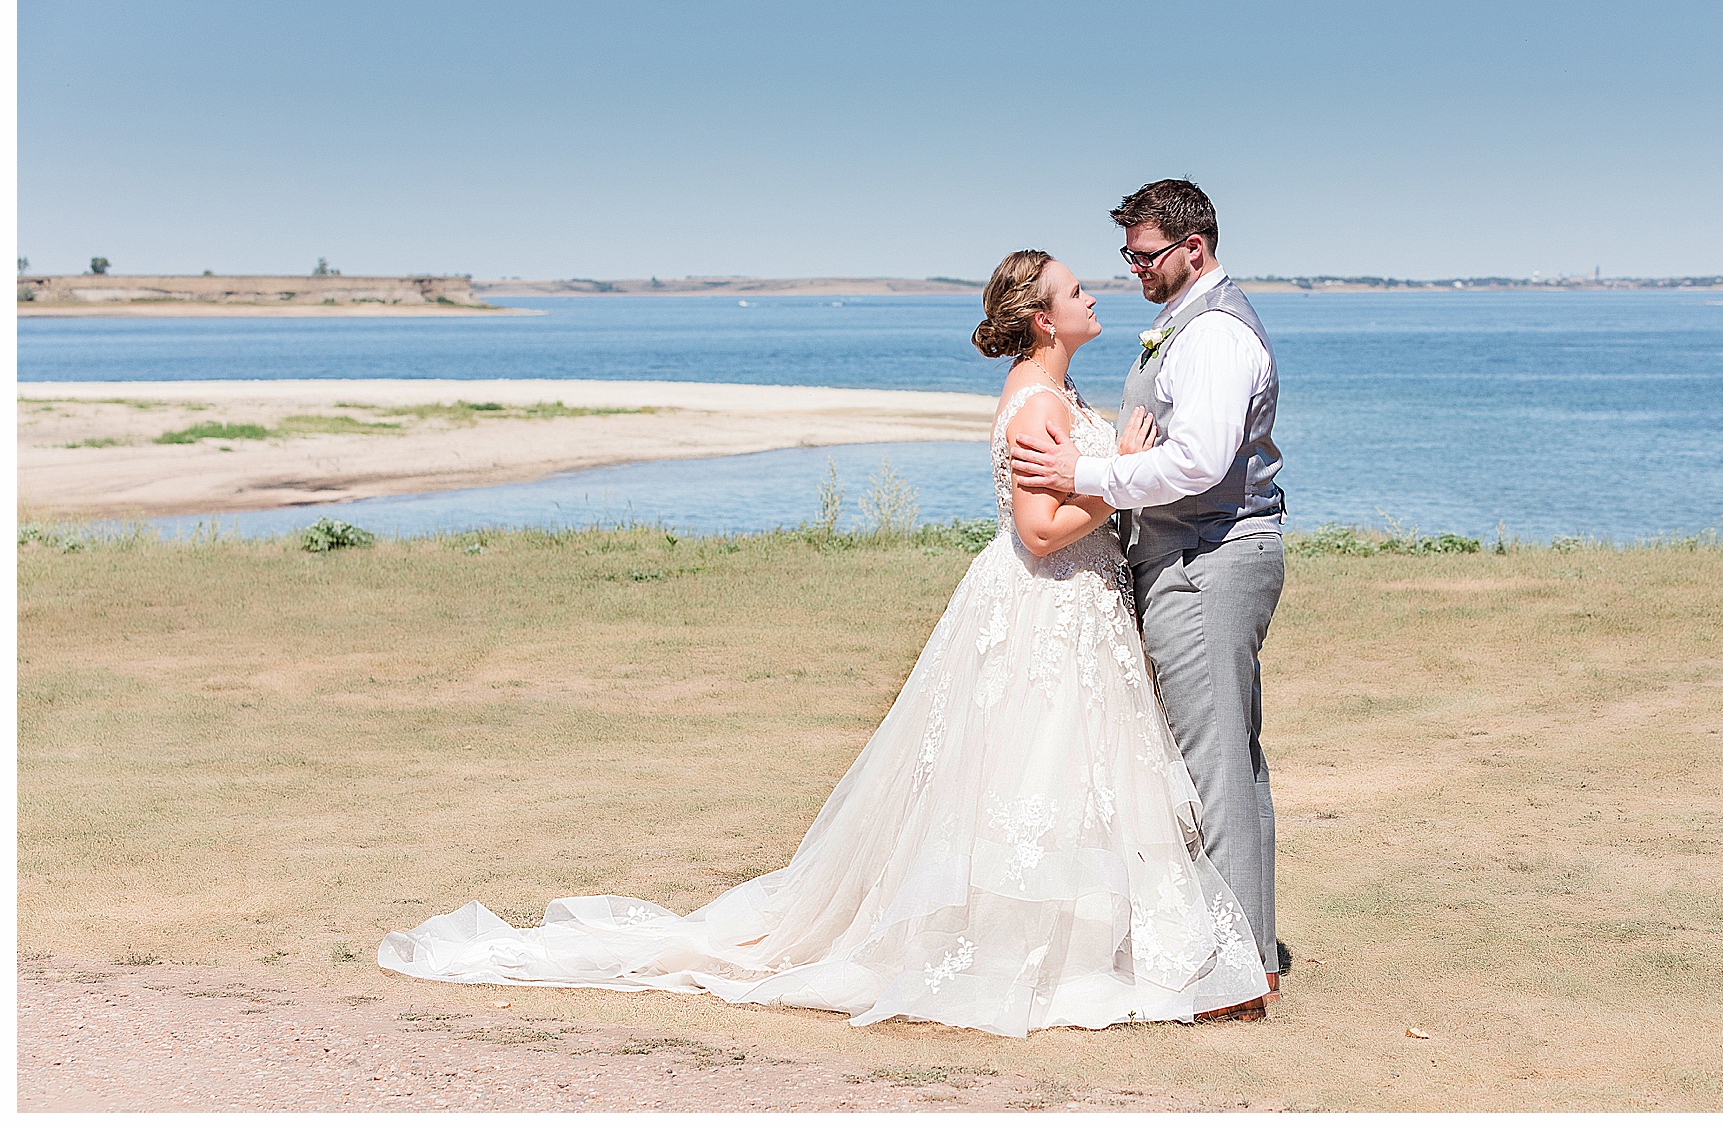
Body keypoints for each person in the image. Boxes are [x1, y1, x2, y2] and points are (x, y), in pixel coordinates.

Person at [378, 250, 1270, 1037]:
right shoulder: (1037, 403)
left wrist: (1105, 463)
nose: (1093, 297)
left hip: (1082, 605)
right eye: (1077, 289)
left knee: (1070, 775)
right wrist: (1116, 474)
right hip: (1050, 599)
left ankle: (1086, 940)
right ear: (1044, 318)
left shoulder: (1057, 392)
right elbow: (1041, 531)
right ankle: (1024, 946)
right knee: (1036, 767)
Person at [1011, 179, 1289, 1010]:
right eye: (1127, 255)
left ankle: (1234, 976)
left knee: (1214, 763)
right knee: (1230, 755)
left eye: (1143, 255)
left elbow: (1201, 463)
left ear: (1192, 250)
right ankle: (1251, 955)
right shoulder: (1187, 327)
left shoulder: (1213, 337)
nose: (1131, 269)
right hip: (1193, 553)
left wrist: (1086, 473)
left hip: (1207, 557)